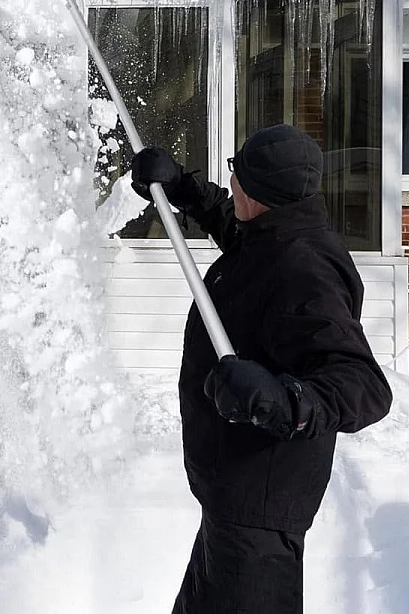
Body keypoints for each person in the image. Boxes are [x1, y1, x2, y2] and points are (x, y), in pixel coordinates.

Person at [130, 123, 393, 614]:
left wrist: (279, 399)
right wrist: (181, 187)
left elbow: (364, 387)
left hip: (260, 520)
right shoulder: (276, 233)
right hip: (233, 502)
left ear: (258, 192)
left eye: (237, 175)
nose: (231, 183)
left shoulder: (305, 270)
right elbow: (233, 224)